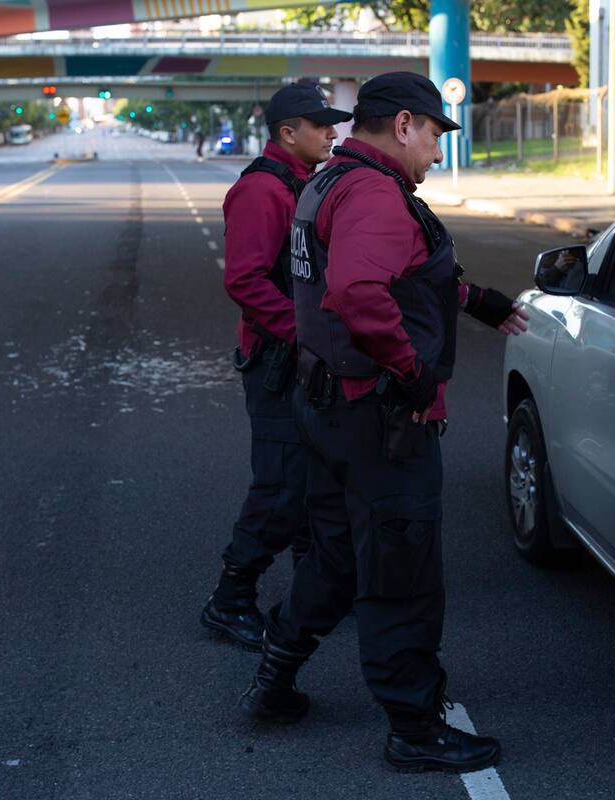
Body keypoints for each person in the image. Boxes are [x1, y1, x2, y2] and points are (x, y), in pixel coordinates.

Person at [237, 72, 529, 773]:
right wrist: (411, 370)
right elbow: (360, 291)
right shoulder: (374, 192)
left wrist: (475, 298)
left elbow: (396, 272)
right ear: (404, 124)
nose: (436, 153)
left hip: (328, 407)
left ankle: (275, 674)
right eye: (433, 135)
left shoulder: (330, 181)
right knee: (401, 572)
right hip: (379, 417)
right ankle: (414, 727)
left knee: (337, 559)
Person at [200, 83, 354, 652]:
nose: (333, 133)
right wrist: (307, 334)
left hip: (304, 358)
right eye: (321, 125)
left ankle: (316, 593)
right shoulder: (262, 190)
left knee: (318, 477)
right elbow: (244, 281)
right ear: (288, 133)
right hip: (278, 362)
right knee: (282, 485)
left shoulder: (302, 182)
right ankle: (229, 599)